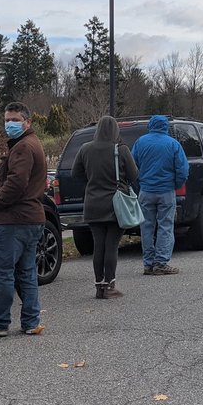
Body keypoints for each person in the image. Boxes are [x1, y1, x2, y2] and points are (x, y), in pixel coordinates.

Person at [0, 102, 47, 337]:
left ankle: (0, 322)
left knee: (3, 271)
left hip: (14, 219)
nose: (9, 124)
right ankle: (30, 322)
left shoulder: (23, 147)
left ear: (27, 122)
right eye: (7, 120)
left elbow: (16, 183)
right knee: (26, 272)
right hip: (30, 218)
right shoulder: (31, 144)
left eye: (15, 120)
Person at [74, 115, 139, 298]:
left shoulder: (85, 148)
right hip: (115, 204)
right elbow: (134, 175)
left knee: (98, 246)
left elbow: (75, 173)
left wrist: (91, 182)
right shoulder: (121, 150)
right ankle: (110, 286)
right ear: (115, 130)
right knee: (111, 246)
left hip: (93, 203)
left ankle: (98, 286)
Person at [132, 115, 189, 275]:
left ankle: (148, 263)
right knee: (165, 226)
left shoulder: (140, 142)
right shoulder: (173, 144)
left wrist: (139, 183)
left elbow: (131, 165)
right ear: (165, 127)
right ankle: (161, 262)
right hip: (166, 191)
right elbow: (183, 170)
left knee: (146, 227)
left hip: (146, 191)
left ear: (150, 125)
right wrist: (175, 185)